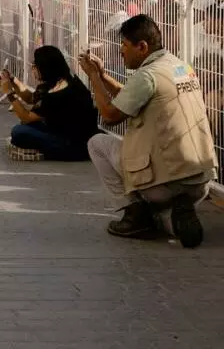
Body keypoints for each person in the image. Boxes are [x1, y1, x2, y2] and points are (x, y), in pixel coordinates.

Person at [79, 15, 216, 248]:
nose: (121, 51)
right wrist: (103, 76)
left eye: (124, 45)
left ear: (142, 47)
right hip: (200, 180)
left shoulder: (147, 75)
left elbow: (110, 116)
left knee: (97, 144)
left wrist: (93, 77)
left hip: (163, 182)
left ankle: (135, 214)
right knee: (165, 216)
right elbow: (131, 96)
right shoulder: (180, 66)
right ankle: (176, 221)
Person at [0, 46, 100, 161]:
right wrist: (13, 80)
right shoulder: (61, 80)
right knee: (28, 126)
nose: (33, 68)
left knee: (18, 131)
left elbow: (26, 117)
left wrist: (9, 93)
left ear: (45, 68)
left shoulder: (58, 93)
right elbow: (31, 98)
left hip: (72, 145)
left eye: (35, 65)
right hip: (69, 133)